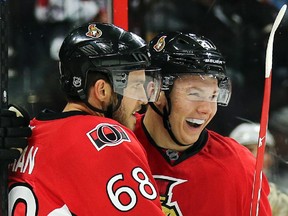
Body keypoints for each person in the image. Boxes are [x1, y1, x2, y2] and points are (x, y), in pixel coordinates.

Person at [8, 22, 165, 215]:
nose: (143, 99)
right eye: (136, 86)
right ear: (102, 90)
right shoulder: (107, 141)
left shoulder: (26, 137)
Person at [134, 31, 272, 215]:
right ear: (155, 90)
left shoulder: (240, 167)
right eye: (195, 94)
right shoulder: (111, 144)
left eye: (213, 96)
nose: (206, 109)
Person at [230, 122, 288, 216]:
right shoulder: (221, 190)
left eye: (264, 151)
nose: (258, 156)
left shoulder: (282, 196)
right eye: (249, 149)